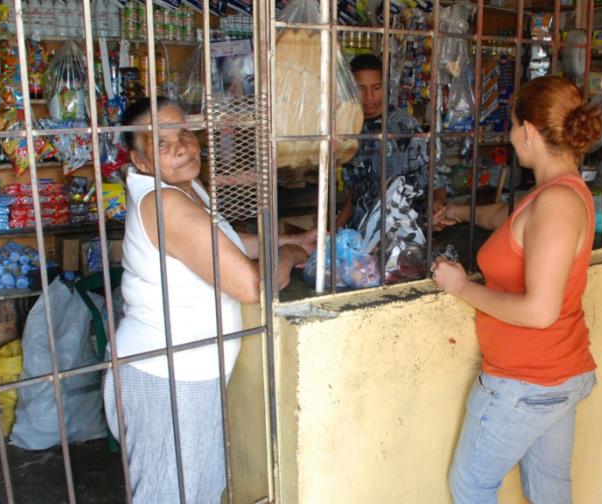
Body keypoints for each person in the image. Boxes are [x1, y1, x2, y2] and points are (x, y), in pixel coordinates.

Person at [103, 97, 313, 503]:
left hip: (187, 369)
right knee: (170, 494)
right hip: (166, 373)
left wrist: (286, 238)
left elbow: (220, 245)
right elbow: (253, 285)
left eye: (184, 133)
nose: (181, 146)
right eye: (162, 143)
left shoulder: (181, 186)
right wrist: (289, 256)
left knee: (196, 489)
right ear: (140, 159)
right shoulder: (165, 203)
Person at [431, 76, 602, 503]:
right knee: (548, 491)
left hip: (528, 380)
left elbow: (538, 311)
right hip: (555, 374)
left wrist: (460, 286)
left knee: (470, 486)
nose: (510, 136)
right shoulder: (554, 193)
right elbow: (506, 220)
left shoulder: (557, 203)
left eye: (511, 126)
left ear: (528, 131)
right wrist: (453, 211)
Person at [336, 53, 447, 231]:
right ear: (349, 89)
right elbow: (355, 191)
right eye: (361, 88)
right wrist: (334, 230)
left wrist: (437, 204)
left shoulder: (405, 126)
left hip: (404, 230)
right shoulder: (348, 128)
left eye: (377, 87)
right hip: (362, 233)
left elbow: (435, 180)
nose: (370, 96)